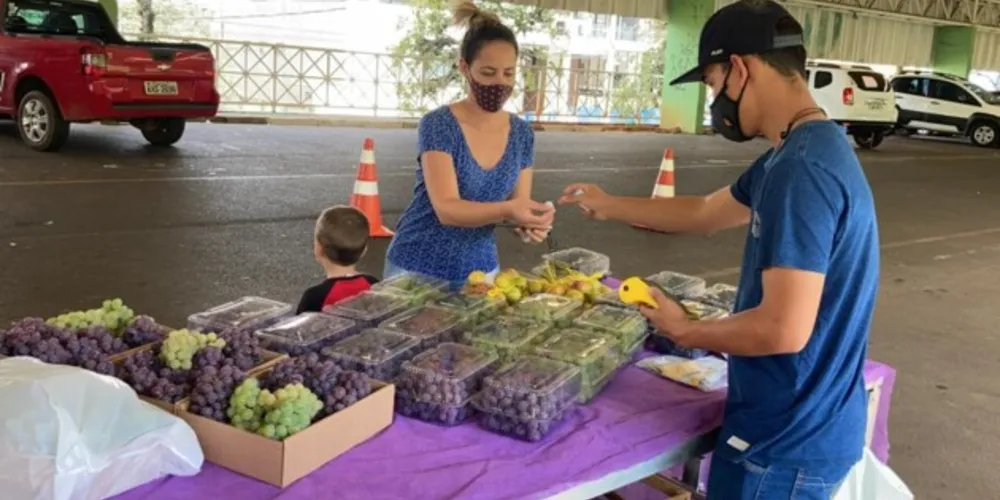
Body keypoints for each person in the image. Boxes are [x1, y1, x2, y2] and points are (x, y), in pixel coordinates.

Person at [559, 1, 879, 498]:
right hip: (801, 425)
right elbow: (707, 211)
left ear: (740, 68)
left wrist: (686, 328)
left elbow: (783, 328)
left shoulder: (801, 172)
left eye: (713, 84)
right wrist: (609, 204)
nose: (716, 101)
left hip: (783, 443)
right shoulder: (798, 152)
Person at [383, 0, 555, 289]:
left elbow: (515, 206)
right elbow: (447, 210)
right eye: (488, 73)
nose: (500, 83)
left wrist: (529, 224)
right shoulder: (439, 124)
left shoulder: (522, 134)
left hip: (480, 273)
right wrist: (509, 210)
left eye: (509, 73)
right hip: (416, 269)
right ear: (464, 67)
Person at [296, 205, 379, 314]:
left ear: (319, 248)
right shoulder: (373, 284)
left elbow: (299, 329)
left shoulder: (314, 296)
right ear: (364, 250)